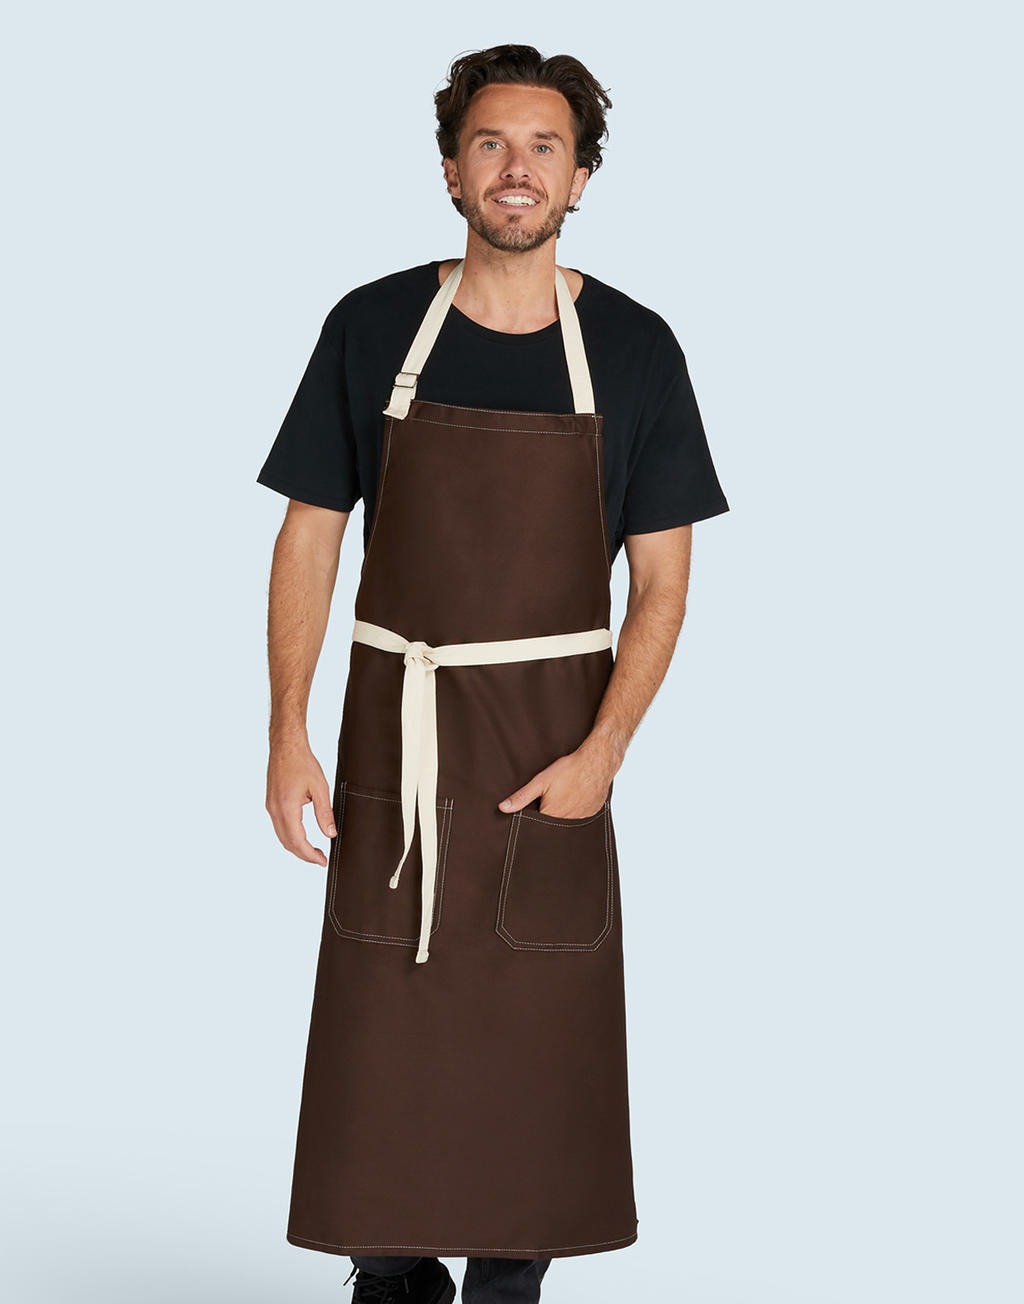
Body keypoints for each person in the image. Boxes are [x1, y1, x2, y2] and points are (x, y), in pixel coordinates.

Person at [257, 43, 729, 1304]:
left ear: (579, 179)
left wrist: (602, 754)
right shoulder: (369, 326)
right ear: (450, 170)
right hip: (391, 750)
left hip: (545, 757)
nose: (516, 168)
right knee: (380, 1062)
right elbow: (310, 533)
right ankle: (391, 1280)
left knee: (533, 1070)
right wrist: (288, 730)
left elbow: (662, 585)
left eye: (543, 148)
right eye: (490, 144)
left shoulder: (634, 350)